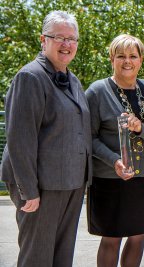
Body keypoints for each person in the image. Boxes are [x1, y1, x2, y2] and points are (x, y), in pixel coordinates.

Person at [0, 11, 91, 267]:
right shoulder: (30, 77)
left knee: (62, 257)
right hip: (42, 187)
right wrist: (28, 191)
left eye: (72, 39)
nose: (67, 44)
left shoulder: (72, 79)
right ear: (43, 39)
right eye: (59, 37)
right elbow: (20, 138)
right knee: (37, 258)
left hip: (72, 182)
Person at [85, 34, 144, 267]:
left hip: (142, 175)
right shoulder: (96, 91)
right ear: (112, 58)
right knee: (111, 237)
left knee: (138, 235)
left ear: (141, 59)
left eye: (133, 56)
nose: (127, 61)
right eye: (121, 56)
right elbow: (88, 138)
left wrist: (141, 127)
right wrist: (114, 161)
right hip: (109, 176)